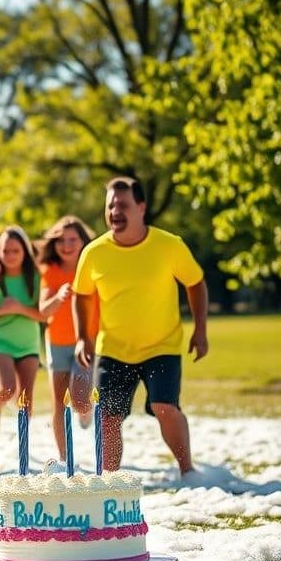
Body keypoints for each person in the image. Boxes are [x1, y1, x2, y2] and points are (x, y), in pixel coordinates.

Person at [73, 177, 208, 477]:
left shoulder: (169, 245)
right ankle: (109, 482)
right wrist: (83, 336)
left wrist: (200, 330)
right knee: (108, 417)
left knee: (165, 408)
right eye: (110, 206)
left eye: (123, 205)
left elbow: (195, 283)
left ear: (141, 207)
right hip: (114, 349)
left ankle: (188, 473)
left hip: (162, 346)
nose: (115, 211)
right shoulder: (93, 252)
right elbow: (81, 296)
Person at [0, 226, 53, 439]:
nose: (9, 256)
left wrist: (20, 309)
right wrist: (1, 310)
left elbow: (44, 315)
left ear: (25, 252)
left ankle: (23, 443)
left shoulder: (35, 278)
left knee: (25, 397)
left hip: (28, 344)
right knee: (7, 389)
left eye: (15, 251)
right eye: (5, 251)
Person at [38, 216, 98, 459]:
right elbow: (43, 310)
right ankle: (64, 458)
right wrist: (59, 296)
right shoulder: (50, 272)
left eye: (73, 240)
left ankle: (85, 411)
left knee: (81, 400)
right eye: (61, 240)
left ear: (83, 241)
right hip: (57, 343)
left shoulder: (93, 269)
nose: (67, 245)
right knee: (59, 403)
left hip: (87, 341)